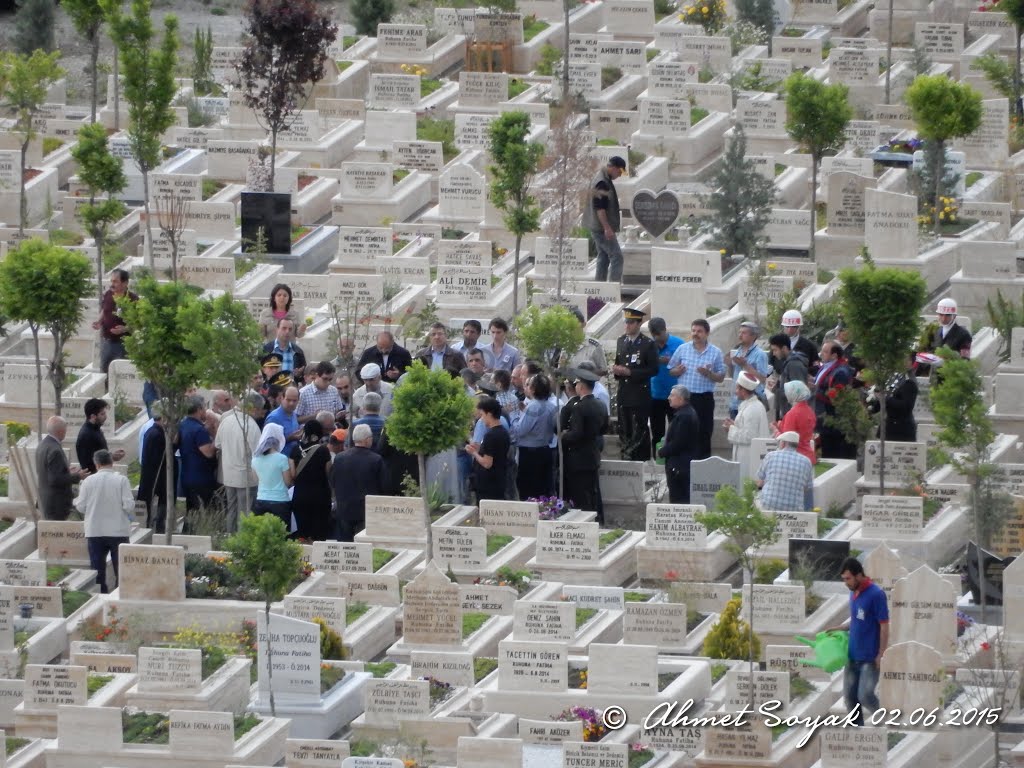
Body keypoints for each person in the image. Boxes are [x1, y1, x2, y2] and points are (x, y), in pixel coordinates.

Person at [832, 557, 889, 726]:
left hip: (870, 658)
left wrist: (881, 653)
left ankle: (886, 722)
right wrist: (841, 628)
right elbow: (857, 620)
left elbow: (884, 626)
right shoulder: (853, 593)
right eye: (843, 579)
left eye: (848, 578)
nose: (846, 583)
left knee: (865, 695)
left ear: (859, 575)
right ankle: (858, 732)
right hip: (852, 656)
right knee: (850, 699)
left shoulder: (876, 594)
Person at [76, 449, 134, 593]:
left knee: (97, 570)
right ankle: (119, 595)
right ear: (111, 462)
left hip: (95, 530)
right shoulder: (121, 480)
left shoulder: (88, 481)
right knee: (121, 570)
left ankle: (100, 598)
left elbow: (81, 507)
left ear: (96, 464)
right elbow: (128, 505)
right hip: (118, 530)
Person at [668, 318, 726, 460]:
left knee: (704, 432)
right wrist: (678, 371)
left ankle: (703, 463)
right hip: (685, 399)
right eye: (693, 330)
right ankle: (683, 461)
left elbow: (721, 376)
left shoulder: (715, 352)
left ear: (707, 333)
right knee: (683, 432)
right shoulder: (683, 349)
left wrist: (709, 374)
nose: (695, 334)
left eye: (699, 331)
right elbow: (671, 369)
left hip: (704, 398)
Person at [560, 368, 608, 518]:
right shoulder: (600, 404)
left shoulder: (580, 407)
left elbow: (576, 433)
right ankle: (598, 518)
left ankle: (586, 520)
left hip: (578, 456)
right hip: (592, 453)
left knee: (580, 493)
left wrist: (563, 436)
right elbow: (604, 428)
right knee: (593, 490)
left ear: (580, 386)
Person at [612, 307, 659, 461]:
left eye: (631, 323)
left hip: (639, 393)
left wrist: (631, 373)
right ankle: (626, 455)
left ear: (639, 324)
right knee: (624, 426)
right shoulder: (621, 341)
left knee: (639, 427)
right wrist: (617, 371)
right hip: (624, 392)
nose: (627, 326)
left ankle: (640, 459)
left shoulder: (647, 344)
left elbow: (653, 369)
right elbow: (619, 363)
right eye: (626, 322)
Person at [214, 392, 263, 530]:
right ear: (253, 408)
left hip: (228, 474)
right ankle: (242, 544)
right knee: (245, 513)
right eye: (259, 410)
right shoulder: (251, 426)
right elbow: (258, 453)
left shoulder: (226, 420)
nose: (260, 413)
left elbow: (217, 444)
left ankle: (230, 540)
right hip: (245, 476)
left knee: (232, 510)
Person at [331, 423, 387, 541]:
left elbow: (333, 481)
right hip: (366, 511)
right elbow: (384, 485)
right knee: (364, 544)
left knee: (345, 546)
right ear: (367, 440)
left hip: (344, 508)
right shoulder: (376, 459)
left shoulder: (339, 458)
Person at [513, 374, 558, 499]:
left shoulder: (533, 406)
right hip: (545, 449)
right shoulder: (552, 407)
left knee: (528, 489)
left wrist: (514, 418)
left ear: (533, 389)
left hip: (530, 453)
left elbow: (521, 430)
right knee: (544, 489)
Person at [289, 420, 334, 541]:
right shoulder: (323, 450)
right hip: (320, 496)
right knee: (319, 534)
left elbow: (292, 474)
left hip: (300, 496)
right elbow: (328, 472)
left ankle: (304, 557)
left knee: (302, 533)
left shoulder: (294, 450)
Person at [584, 156, 627, 282]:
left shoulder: (603, 178)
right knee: (617, 257)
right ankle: (613, 289)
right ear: (613, 168)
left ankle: (600, 289)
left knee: (603, 257)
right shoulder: (602, 182)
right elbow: (600, 208)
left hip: (598, 227)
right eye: (619, 172)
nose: (619, 175)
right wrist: (607, 228)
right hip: (601, 228)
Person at [37, 416, 86, 521]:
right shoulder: (55, 450)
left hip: (46, 499)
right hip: (56, 503)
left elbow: (49, 471)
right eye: (65, 430)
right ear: (61, 431)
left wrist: (66, 470)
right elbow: (55, 479)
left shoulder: (42, 445)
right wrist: (77, 476)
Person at [648, 317, 684, 458]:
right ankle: (658, 459)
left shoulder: (679, 345)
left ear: (665, 330)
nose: (657, 338)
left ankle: (674, 457)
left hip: (675, 395)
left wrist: (671, 362)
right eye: (654, 335)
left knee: (676, 431)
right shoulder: (650, 345)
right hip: (655, 394)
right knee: (657, 432)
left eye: (659, 334)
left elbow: (685, 365)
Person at [658, 385, 700, 504]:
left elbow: (679, 443)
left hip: (680, 466)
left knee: (679, 501)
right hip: (680, 464)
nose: (668, 398)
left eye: (672, 395)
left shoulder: (685, 416)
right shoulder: (683, 413)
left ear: (681, 399)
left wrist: (662, 451)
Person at [814, 341, 856, 459]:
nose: (821, 354)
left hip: (832, 420)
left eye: (825, 352)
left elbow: (837, 398)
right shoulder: (827, 367)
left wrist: (816, 391)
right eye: (822, 350)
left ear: (834, 356)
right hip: (823, 417)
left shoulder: (840, 372)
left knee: (832, 453)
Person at [178, 395, 219, 514]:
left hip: (187, 476)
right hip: (201, 479)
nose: (206, 411)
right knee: (204, 512)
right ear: (199, 409)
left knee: (191, 512)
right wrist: (217, 435)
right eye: (205, 407)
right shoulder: (199, 430)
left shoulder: (184, 424)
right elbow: (209, 453)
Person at [93, 268, 137, 375]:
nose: (112, 284)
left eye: (115, 281)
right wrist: (99, 321)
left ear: (125, 283)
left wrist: (125, 329)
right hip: (107, 341)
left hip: (123, 344)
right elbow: (105, 309)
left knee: (121, 373)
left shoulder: (133, 299)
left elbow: (138, 323)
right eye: (111, 281)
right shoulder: (108, 294)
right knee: (104, 371)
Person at [724, 372, 770, 474]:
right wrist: (734, 425)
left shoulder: (752, 409)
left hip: (748, 456)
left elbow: (749, 436)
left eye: (737, 388)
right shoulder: (750, 406)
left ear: (743, 390)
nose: (736, 392)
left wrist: (731, 429)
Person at [467, 396, 511, 501]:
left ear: (489, 414)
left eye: (482, 415)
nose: (481, 418)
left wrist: (474, 453)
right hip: (499, 480)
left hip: (488, 484)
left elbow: (487, 463)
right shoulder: (504, 432)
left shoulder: (490, 435)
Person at [756, 430, 813, 511]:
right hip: (794, 509)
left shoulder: (771, 456)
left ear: (783, 443)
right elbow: (807, 488)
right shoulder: (806, 461)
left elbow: (760, 482)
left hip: (768, 505)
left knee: (756, 498)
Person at [251, 423, 292, 528]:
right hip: (280, 502)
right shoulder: (282, 458)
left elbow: (256, 480)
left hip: (260, 500)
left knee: (262, 536)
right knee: (281, 536)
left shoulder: (255, 459)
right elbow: (288, 482)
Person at [726, 321, 772, 417]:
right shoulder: (737, 352)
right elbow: (733, 375)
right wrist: (729, 364)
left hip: (750, 404)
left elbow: (762, 379)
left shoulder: (760, 354)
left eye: (743, 333)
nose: (740, 335)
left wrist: (745, 365)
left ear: (753, 336)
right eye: (739, 332)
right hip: (735, 402)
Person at [869, 357, 919, 442]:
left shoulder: (909, 382)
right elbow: (882, 399)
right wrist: (873, 405)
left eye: (906, 360)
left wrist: (885, 398)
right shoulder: (892, 378)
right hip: (887, 426)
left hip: (901, 429)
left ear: (911, 363)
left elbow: (906, 406)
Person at [137, 403, 168, 533]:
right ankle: (156, 528)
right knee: (153, 508)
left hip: (151, 476)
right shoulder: (157, 434)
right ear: (163, 418)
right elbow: (158, 460)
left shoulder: (152, 431)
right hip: (155, 478)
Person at [75, 398, 124, 475]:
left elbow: (99, 452)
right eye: (102, 414)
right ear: (93, 416)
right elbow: (89, 463)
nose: (105, 417)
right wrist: (111, 457)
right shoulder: (86, 435)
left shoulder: (96, 429)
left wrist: (111, 456)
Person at [768, 333, 808, 423]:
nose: (773, 354)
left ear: (784, 348)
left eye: (775, 350)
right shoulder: (788, 362)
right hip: (788, 412)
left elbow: (799, 392)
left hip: (792, 416)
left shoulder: (794, 365)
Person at [775, 380, 817, 466]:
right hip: (808, 455)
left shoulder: (793, 413)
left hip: (794, 458)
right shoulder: (810, 411)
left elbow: (787, 439)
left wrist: (776, 430)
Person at [263, 318, 307, 383]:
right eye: (284, 328)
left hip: (290, 391)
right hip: (271, 390)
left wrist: (299, 375)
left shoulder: (298, 352)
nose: (287, 331)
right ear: (277, 329)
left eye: (290, 329)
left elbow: (304, 377)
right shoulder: (266, 350)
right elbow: (258, 374)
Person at [568, 306, 608, 375]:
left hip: (588, 384)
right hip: (569, 384)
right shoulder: (566, 344)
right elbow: (562, 367)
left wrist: (587, 373)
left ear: (583, 324)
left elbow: (604, 370)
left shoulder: (594, 346)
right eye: (570, 323)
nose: (573, 326)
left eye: (576, 322)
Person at [265, 385, 303, 457]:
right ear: (282, 398)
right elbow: (268, 446)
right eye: (288, 400)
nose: (291, 403)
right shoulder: (273, 418)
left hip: (292, 459)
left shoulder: (293, 414)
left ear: (298, 401)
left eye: (294, 400)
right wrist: (290, 438)